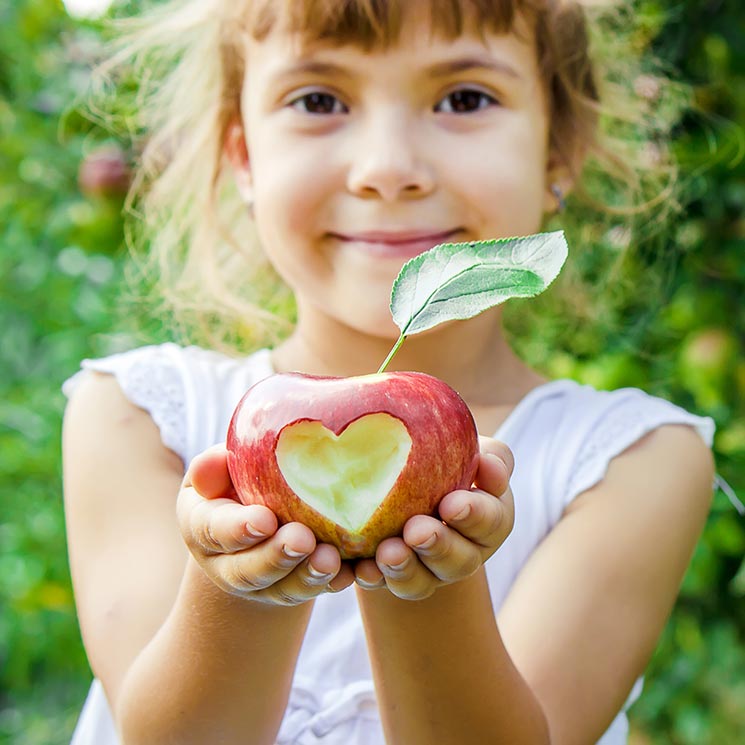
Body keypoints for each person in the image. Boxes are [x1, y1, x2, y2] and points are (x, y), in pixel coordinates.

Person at [61, 1, 717, 743]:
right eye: (319, 100)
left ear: (557, 152)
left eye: (463, 98)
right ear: (243, 158)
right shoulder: (137, 416)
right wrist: (241, 585)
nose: (387, 170)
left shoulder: (631, 458)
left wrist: (426, 575)